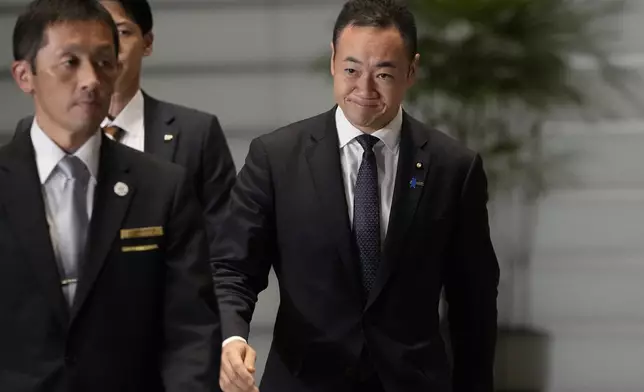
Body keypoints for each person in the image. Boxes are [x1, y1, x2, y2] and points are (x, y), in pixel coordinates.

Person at [212, 0, 500, 391]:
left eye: (383, 74)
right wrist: (232, 338)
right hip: (305, 380)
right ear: (333, 61)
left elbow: (474, 301)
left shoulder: (454, 169)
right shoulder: (276, 158)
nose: (363, 89)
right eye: (351, 70)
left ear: (411, 70)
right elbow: (233, 268)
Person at [0, 0, 221, 391]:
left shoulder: (161, 187)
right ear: (24, 75)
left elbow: (189, 331)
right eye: (70, 62)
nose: (91, 79)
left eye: (104, 62)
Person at [14, 0, 237, 249]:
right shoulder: (33, 134)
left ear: (147, 42)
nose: (110, 48)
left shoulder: (195, 133)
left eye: (120, 32)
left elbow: (224, 246)